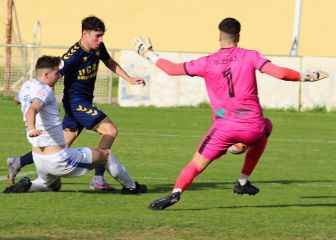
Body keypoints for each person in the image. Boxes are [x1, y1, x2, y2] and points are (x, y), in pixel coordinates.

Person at [133, 17, 328, 210]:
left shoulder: (207, 62)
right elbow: (281, 74)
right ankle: (243, 180)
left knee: (197, 164)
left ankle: (176, 193)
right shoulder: (250, 56)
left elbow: (172, 69)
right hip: (253, 127)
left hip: (224, 127)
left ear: (220, 36)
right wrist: (307, 76)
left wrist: (148, 53)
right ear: (238, 36)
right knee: (266, 126)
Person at [7, 16, 147, 193]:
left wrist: (129, 78)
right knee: (110, 131)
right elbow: (49, 74)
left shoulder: (98, 47)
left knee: (60, 146)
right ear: (85, 34)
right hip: (76, 103)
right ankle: (98, 178)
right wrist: (28, 95)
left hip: (83, 102)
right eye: (97, 36)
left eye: (102, 35)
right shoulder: (72, 56)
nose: (101, 40)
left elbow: (109, 61)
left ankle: (18, 161)